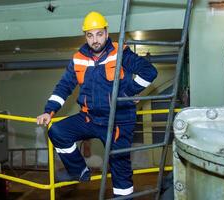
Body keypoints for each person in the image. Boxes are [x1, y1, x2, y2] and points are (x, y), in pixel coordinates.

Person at [37, 11, 157, 198]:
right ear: (85, 36)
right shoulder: (78, 58)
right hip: (90, 118)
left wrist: (128, 92)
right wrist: (49, 111)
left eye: (99, 34)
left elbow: (149, 71)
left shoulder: (120, 52)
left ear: (107, 33)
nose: (95, 40)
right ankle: (80, 171)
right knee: (57, 131)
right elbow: (64, 87)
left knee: (119, 166)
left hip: (119, 119)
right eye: (90, 35)